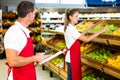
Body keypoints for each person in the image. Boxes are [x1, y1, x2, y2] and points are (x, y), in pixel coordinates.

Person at [4, 1, 49, 80]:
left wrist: (37, 60)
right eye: (34, 13)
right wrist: (34, 58)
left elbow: (23, 56)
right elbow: (12, 61)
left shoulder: (24, 31)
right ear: (29, 14)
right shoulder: (14, 32)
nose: (35, 16)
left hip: (28, 74)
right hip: (18, 77)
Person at [64, 9, 108, 80]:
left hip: (72, 57)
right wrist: (101, 31)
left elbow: (79, 36)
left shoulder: (70, 27)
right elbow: (87, 39)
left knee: (71, 77)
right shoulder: (71, 29)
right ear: (70, 17)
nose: (78, 18)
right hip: (72, 58)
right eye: (76, 16)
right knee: (72, 78)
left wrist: (88, 29)